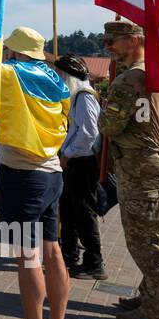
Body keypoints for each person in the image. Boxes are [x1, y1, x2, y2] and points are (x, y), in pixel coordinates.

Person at [0, 27, 71, 319]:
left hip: (22, 177)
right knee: (52, 251)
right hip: (52, 174)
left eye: (9, 49)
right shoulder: (56, 81)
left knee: (28, 257)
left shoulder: (9, 74)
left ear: (14, 51)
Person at [101, 19, 159, 319]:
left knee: (146, 242)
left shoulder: (128, 81)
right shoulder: (155, 74)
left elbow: (109, 127)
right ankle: (150, 297)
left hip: (141, 168)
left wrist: (106, 105)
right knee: (148, 237)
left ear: (134, 40)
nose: (107, 47)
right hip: (154, 166)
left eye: (112, 40)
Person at [54, 55, 105, 280]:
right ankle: (69, 254)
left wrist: (67, 154)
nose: (58, 80)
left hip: (82, 163)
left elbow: (88, 134)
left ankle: (94, 262)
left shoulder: (84, 97)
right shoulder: (79, 96)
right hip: (75, 161)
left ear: (69, 76)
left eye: (60, 76)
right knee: (69, 210)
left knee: (84, 212)